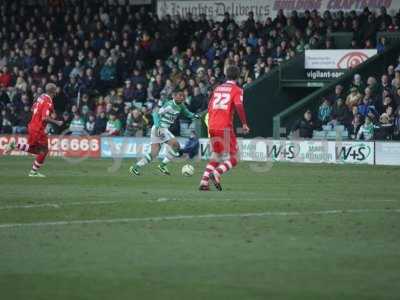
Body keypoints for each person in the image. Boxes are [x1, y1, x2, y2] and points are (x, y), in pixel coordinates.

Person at [199, 65, 249, 191]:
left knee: (216, 155)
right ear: (238, 77)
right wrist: (244, 123)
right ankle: (217, 173)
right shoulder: (237, 90)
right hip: (224, 125)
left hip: (212, 124)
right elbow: (238, 105)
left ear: (226, 75)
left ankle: (204, 182)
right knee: (235, 157)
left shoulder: (218, 89)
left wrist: (210, 123)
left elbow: (209, 107)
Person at [129, 90, 199, 176]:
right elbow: (155, 114)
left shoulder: (181, 106)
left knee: (154, 154)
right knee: (176, 145)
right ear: (174, 96)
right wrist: (158, 127)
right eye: (179, 96)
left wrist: (194, 115)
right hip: (160, 128)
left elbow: (186, 113)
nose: (181, 97)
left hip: (160, 129)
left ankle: (135, 168)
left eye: (183, 96)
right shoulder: (169, 105)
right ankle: (163, 164)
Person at [4, 83, 62, 177]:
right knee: (44, 151)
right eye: (55, 89)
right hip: (38, 129)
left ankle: (15, 145)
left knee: (34, 148)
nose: (56, 91)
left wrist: (51, 112)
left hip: (32, 126)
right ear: (53, 91)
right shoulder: (48, 101)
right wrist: (56, 122)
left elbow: (33, 108)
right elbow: (44, 118)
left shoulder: (41, 97)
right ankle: (33, 172)